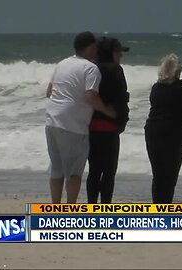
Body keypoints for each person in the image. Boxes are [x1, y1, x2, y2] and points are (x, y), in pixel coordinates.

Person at [45, 31, 116, 204]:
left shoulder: (63, 63)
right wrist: (107, 111)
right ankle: (70, 209)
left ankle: (56, 208)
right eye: (96, 47)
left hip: (52, 120)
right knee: (74, 172)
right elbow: (91, 96)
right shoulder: (90, 68)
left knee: (56, 168)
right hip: (73, 125)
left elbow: (49, 92)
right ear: (90, 48)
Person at [144, 54, 182, 203]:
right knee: (170, 176)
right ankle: (165, 209)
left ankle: (157, 208)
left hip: (152, 131)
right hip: (172, 133)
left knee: (158, 175)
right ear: (177, 71)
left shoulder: (156, 87)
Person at [86, 37, 130, 203]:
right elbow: (122, 100)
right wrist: (121, 123)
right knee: (109, 173)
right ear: (111, 53)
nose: (120, 56)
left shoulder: (92, 69)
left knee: (94, 171)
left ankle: (92, 207)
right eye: (118, 52)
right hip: (110, 129)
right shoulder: (116, 70)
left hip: (91, 128)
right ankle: (105, 208)